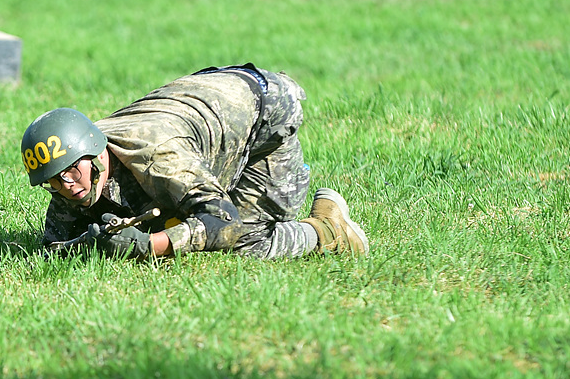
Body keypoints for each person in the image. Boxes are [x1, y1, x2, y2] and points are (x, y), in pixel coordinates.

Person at [20, 63, 368, 260]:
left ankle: (328, 228)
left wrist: (150, 246)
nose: (66, 184)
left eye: (71, 170)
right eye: (53, 179)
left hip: (266, 113)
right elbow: (54, 246)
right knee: (171, 215)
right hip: (209, 98)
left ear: (96, 153)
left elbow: (224, 221)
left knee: (246, 243)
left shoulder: (160, 157)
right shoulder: (73, 167)